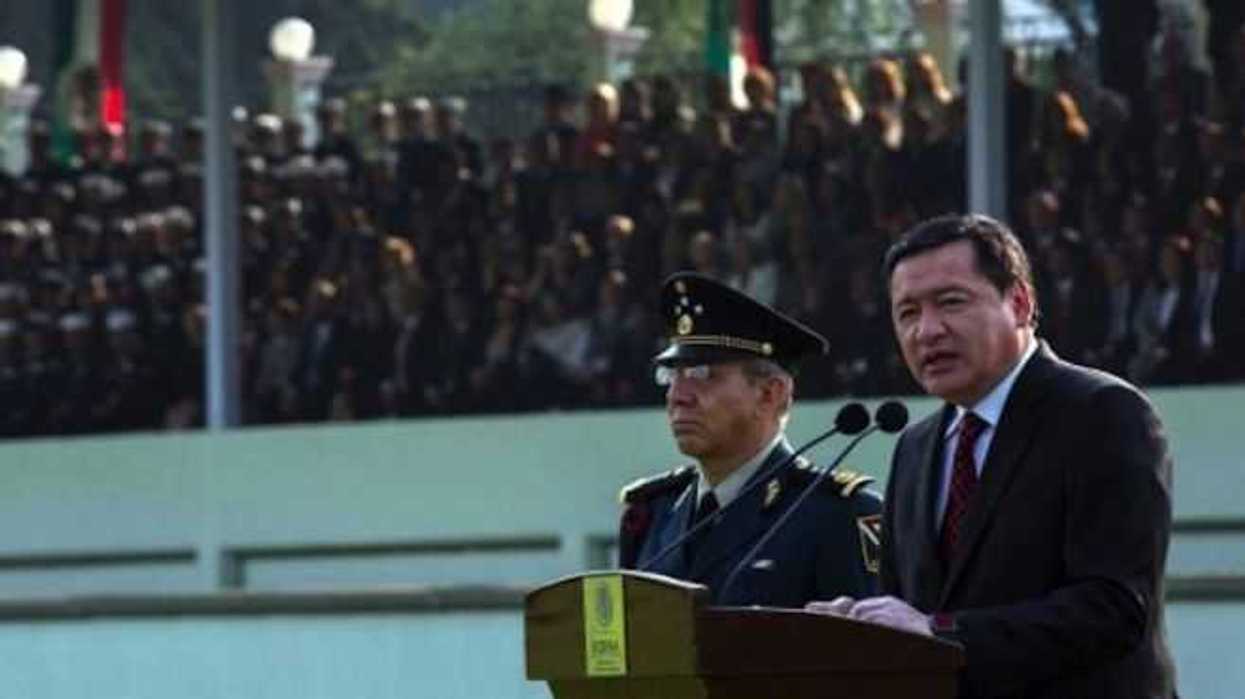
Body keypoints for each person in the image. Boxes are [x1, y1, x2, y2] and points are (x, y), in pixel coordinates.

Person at [808, 214, 1175, 698]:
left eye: (951, 303)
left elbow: (1115, 608)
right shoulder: (915, 449)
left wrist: (941, 631)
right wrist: (860, 629)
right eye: (907, 313)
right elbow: (905, 612)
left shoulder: (1103, 413)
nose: (927, 331)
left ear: (1020, 303)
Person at [618, 272, 882, 607]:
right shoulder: (651, 512)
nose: (678, 396)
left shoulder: (837, 513)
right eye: (671, 374)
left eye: (702, 374)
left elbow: (869, 652)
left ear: (770, 394)